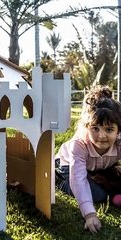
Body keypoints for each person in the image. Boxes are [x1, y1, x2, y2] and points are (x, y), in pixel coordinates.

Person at [55, 85, 121, 234]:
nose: (101, 136)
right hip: (66, 165)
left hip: (98, 166)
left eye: (109, 129)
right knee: (98, 195)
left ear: (118, 130)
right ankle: (57, 180)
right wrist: (90, 214)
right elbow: (78, 178)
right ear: (86, 127)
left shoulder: (119, 141)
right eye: (95, 128)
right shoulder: (79, 145)